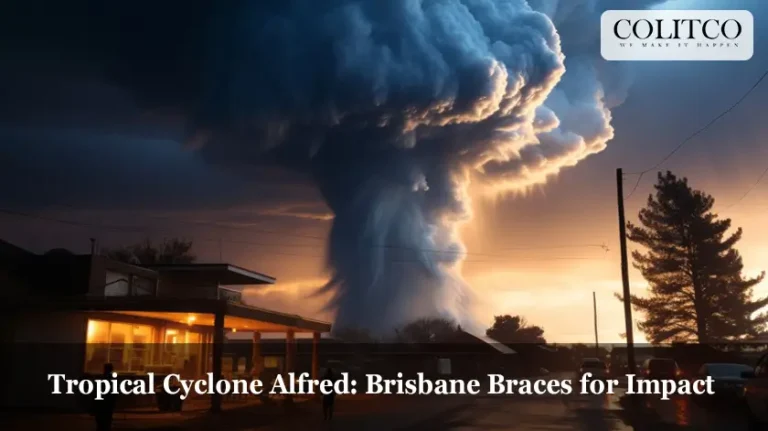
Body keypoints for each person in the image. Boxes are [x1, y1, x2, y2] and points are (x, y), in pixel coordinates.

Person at [93, 363, 117, 431]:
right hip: (107, 404)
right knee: (106, 422)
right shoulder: (112, 379)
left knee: (101, 423)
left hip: (102, 404)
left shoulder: (102, 378)